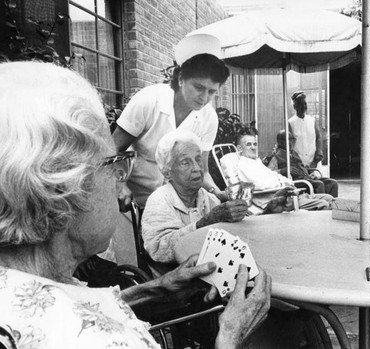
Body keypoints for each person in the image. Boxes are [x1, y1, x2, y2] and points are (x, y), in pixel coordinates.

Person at [0, 61, 271, 349]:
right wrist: (231, 337)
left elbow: (74, 302)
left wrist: (153, 292)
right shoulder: (99, 340)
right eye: (114, 163)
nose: (120, 178)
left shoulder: (24, 283)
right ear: (65, 190)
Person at [113, 33, 230, 209]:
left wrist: (216, 192)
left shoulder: (209, 118)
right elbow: (111, 150)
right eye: (198, 87)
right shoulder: (149, 100)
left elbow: (203, 170)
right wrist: (119, 185)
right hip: (132, 200)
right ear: (181, 78)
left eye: (212, 92)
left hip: (173, 203)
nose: (204, 98)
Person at [142, 130, 249, 276]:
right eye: (185, 162)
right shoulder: (159, 201)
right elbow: (160, 252)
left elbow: (234, 235)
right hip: (176, 281)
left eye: (198, 159)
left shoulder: (207, 197)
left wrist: (266, 209)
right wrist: (206, 222)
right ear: (167, 172)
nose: (197, 168)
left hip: (209, 272)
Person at [223, 128, 334, 211]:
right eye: (248, 144)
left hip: (291, 193)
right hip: (280, 202)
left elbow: (272, 174)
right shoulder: (244, 166)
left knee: (329, 198)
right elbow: (260, 185)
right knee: (323, 204)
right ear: (239, 148)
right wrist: (281, 183)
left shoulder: (256, 162)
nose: (253, 147)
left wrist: (285, 181)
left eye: (255, 144)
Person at [268, 130, 339, 197]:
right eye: (287, 140)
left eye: (291, 140)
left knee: (333, 183)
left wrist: (308, 172)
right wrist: (284, 170)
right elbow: (269, 173)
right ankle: (321, 207)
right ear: (280, 142)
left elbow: (301, 166)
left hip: (307, 178)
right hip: (295, 181)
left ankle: (333, 206)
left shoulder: (294, 153)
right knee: (318, 184)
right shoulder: (276, 156)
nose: (290, 143)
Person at [288, 91, 323, 168]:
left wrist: (316, 159)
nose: (303, 106)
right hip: (298, 165)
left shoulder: (312, 121)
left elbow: (318, 138)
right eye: (300, 104)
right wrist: (298, 163)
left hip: (314, 163)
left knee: (319, 179)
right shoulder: (290, 123)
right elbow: (289, 145)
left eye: (305, 104)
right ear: (294, 106)